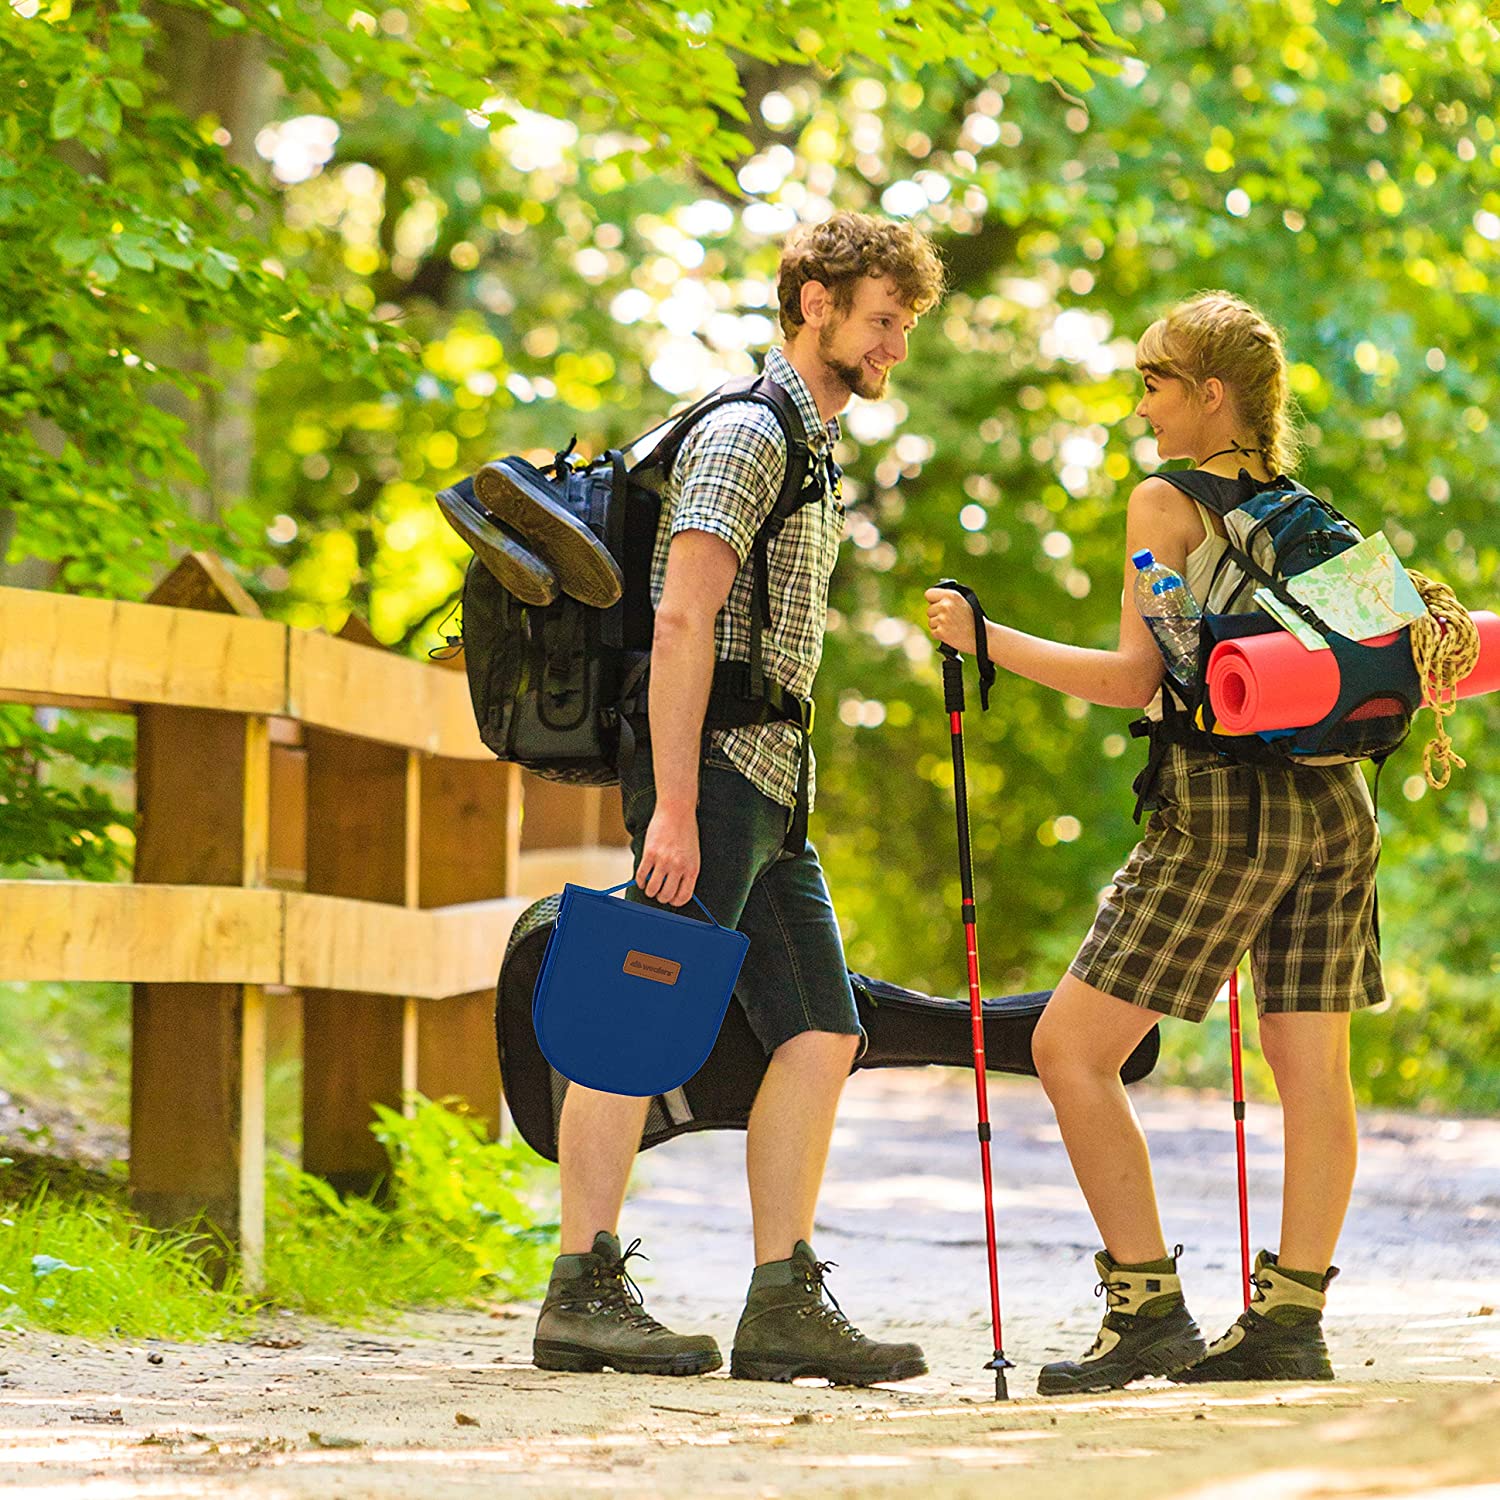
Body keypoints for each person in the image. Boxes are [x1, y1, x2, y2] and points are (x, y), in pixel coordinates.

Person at [927, 291, 1378, 1394]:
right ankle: (1290, 1322)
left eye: (1155, 383)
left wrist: (986, 640)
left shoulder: (1165, 499)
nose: (1143, 407)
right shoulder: (1306, 508)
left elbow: (1136, 679)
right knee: (1312, 1068)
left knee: (1069, 1049)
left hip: (1228, 809)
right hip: (1344, 806)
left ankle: (1147, 1313)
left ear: (1210, 394)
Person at [532, 212, 946, 1384]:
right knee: (631, 1021)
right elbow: (680, 618)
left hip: (771, 794)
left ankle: (782, 1302)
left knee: (823, 1030)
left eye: (904, 328)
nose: (893, 349)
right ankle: (581, 1288)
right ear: (813, 302)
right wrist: (667, 805)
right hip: (709, 784)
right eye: (881, 321)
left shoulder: (810, 441)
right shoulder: (749, 433)